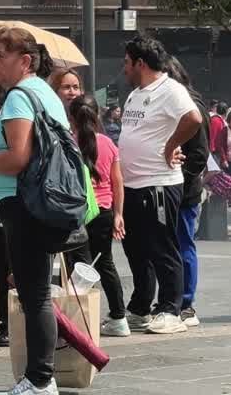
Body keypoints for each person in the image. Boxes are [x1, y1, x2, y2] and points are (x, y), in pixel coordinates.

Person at [0, 31, 65, 393]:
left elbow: (18, 157)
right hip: (37, 202)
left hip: (24, 203)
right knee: (36, 291)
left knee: (35, 294)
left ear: (24, 60)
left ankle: (40, 380)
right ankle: (40, 378)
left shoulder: (19, 97)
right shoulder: (45, 93)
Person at [117, 36, 201, 336]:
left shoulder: (170, 89)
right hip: (131, 185)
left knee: (162, 248)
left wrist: (171, 146)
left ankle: (170, 309)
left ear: (140, 63)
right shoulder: (135, 94)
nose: (123, 67)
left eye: (126, 62)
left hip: (158, 185)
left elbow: (193, 119)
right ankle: (140, 307)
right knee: (135, 250)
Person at [64, 95, 129, 337]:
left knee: (77, 266)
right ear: (98, 115)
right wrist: (119, 214)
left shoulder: (68, 143)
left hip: (77, 214)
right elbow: (117, 182)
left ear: (72, 118)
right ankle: (119, 317)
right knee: (105, 263)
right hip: (103, 211)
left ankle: (77, 320)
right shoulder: (109, 144)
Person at [159, 57, 211, 329]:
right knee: (169, 245)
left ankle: (186, 303)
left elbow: (200, 154)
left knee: (183, 243)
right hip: (165, 188)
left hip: (182, 191)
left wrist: (181, 179)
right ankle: (171, 298)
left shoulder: (191, 105)